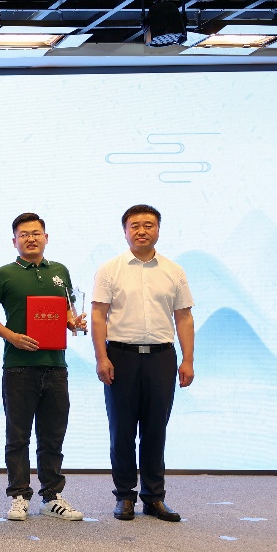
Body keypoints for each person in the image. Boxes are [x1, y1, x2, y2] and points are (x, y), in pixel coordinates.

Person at [91, 204, 194, 522]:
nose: (141, 231)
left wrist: (188, 360)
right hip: (120, 357)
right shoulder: (110, 269)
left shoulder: (174, 271)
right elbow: (98, 315)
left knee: (155, 429)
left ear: (158, 230)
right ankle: (124, 496)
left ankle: (154, 497)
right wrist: (101, 357)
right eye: (134, 225)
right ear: (125, 231)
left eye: (148, 225)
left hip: (162, 358)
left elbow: (184, 317)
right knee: (121, 430)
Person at [0, 213, 85, 523]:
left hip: (56, 366)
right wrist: (11, 336)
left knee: (53, 436)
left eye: (36, 233)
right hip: (18, 367)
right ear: (14, 241)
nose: (30, 238)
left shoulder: (60, 271)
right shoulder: (3, 274)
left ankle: (51, 497)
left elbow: (67, 310)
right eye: (24, 234)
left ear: (46, 237)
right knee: (18, 436)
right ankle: (19, 496)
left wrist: (73, 323)